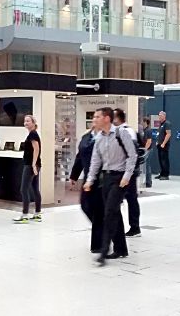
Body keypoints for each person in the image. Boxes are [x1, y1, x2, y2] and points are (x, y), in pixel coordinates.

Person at [84, 107, 137, 266]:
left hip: (120, 178)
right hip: (106, 178)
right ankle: (121, 249)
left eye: (97, 117)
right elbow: (95, 161)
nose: (95, 119)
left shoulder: (122, 133)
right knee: (114, 212)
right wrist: (90, 180)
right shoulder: (99, 138)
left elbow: (132, 155)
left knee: (109, 213)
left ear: (107, 118)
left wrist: (127, 176)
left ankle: (104, 250)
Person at [71, 125, 103, 253]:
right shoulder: (85, 137)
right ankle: (104, 229)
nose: (94, 120)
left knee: (98, 210)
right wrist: (74, 175)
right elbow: (80, 157)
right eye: (93, 118)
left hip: (101, 178)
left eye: (97, 117)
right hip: (88, 178)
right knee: (85, 205)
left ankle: (99, 244)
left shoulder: (106, 137)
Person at [112, 108, 142, 238]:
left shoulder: (125, 132)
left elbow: (131, 154)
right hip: (127, 171)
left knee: (129, 199)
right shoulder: (129, 131)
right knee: (129, 199)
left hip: (126, 172)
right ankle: (132, 226)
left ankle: (134, 227)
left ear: (117, 119)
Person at [13, 115, 43, 223]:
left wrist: (33, 164)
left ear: (33, 123)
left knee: (24, 189)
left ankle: (25, 215)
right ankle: (37, 213)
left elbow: (36, 149)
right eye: (25, 121)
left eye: (28, 121)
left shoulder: (33, 134)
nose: (26, 123)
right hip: (32, 164)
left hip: (30, 165)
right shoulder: (31, 134)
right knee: (35, 188)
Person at [156, 111, 171, 180]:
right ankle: (162, 173)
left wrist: (163, 143)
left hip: (164, 145)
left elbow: (168, 134)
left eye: (160, 116)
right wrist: (157, 142)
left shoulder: (167, 124)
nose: (159, 117)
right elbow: (159, 134)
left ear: (164, 116)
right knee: (160, 160)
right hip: (159, 145)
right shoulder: (160, 124)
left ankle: (166, 175)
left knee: (164, 160)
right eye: (159, 115)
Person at [142, 117, 155, 188]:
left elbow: (149, 141)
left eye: (142, 122)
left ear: (145, 122)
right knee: (147, 166)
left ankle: (148, 182)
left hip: (148, 150)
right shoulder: (144, 130)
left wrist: (145, 149)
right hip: (147, 150)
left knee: (147, 166)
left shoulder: (148, 131)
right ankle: (148, 181)